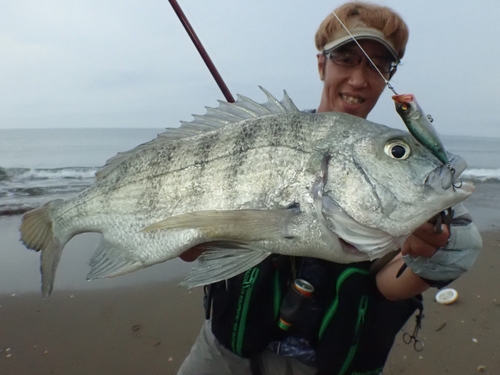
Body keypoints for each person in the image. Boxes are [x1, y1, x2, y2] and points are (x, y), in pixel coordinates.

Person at [177, 2, 482, 375]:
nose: (358, 79)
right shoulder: (255, 142)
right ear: (322, 63)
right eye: (345, 58)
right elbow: (191, 253)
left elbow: (390, 286)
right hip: (221, 355)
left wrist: (435, 255)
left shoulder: (399, 182)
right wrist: (193, 231)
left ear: (389, 75)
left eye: (377, 65)